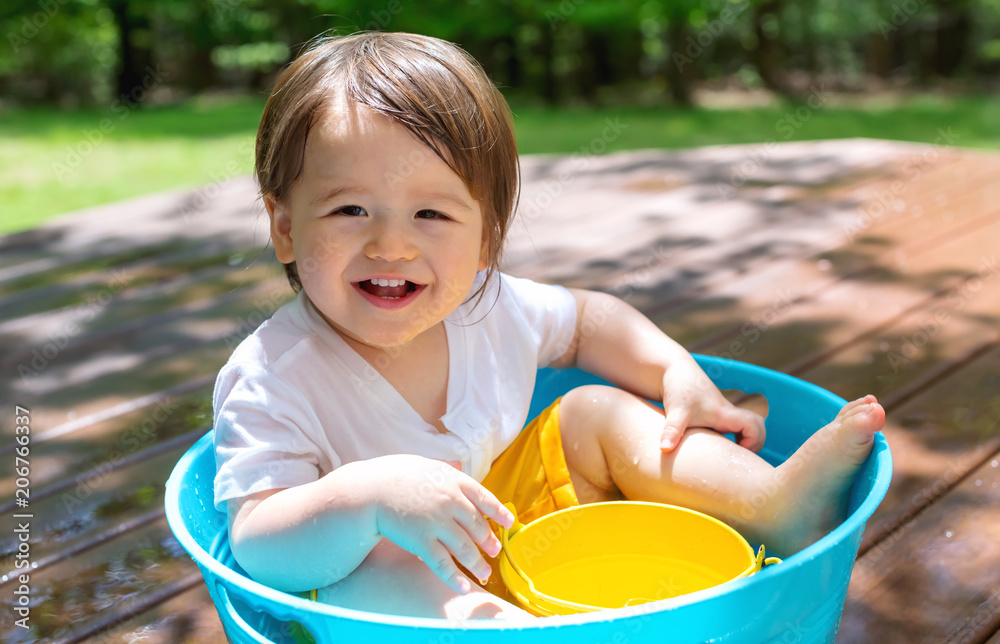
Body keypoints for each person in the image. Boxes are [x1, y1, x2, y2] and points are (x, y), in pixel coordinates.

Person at [213, 31, 885, 622]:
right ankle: (499, 628)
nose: (392, 245)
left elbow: (589, 321)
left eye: (432, 216)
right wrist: (364, 501)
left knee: (591, 412)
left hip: (506, 521)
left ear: (485, 242)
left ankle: (770, 505)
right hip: (393, 590)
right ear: (284, 228)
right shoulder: (272, 376)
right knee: (376, 568)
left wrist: (675, 370)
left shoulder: (489, 306)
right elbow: (256, 542)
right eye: (351, 210)